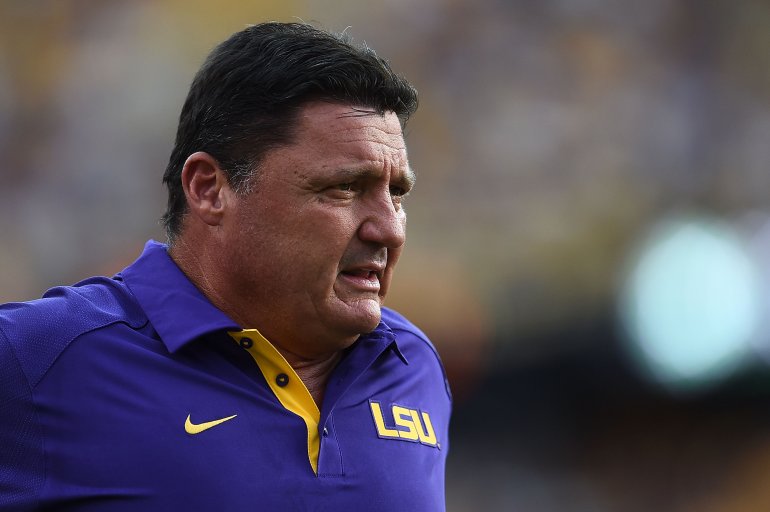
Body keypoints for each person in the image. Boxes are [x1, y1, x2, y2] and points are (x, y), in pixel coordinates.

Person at [0, 22, 451, 511]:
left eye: (397, 194)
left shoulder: (413, 363)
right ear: (209, 189)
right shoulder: (38, 357)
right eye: (344, 188)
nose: (389, 229)